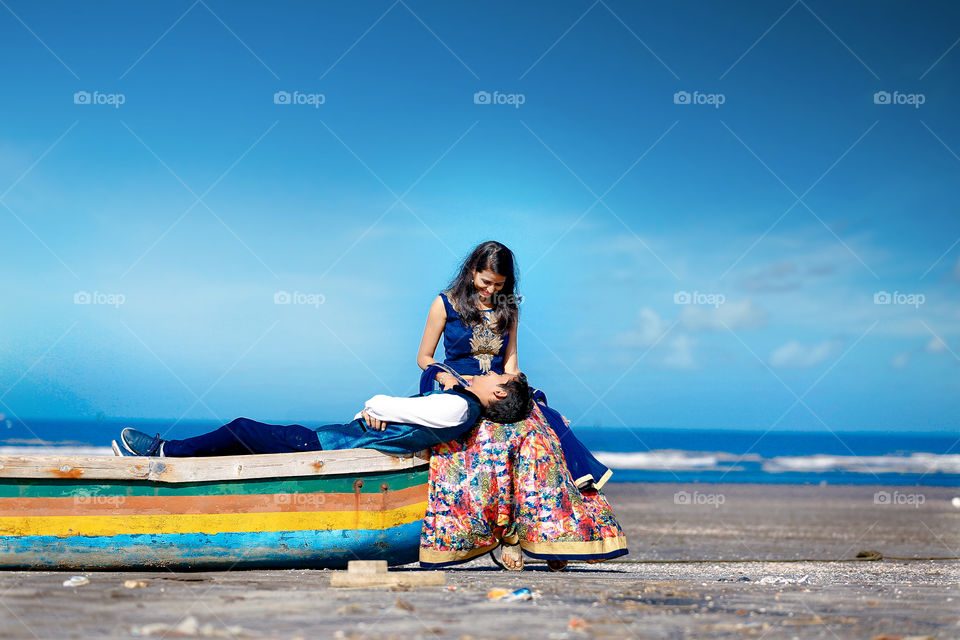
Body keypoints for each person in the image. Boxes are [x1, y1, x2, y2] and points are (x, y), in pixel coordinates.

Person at [415, 241, 628, 571]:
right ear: (472, 271)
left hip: (500, 386)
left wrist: (528, 401)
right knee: (482, 442)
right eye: (485, 282)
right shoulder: (445, 304)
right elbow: (423, 357)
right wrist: (446, 377)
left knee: (542, 437)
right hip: (457, 384)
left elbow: (511, 362)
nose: (490, 290)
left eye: (498, 285)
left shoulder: (508, 307)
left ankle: (551, 537)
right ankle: (501, 536)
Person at [112, 372, 531, 457]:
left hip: (330, 447)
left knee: (242, 429)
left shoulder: (458, 404)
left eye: (495, 374)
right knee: (247, 440)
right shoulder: (460, 408)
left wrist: (372, 409)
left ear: (497, 392)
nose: (486, 370)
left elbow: (381, 403)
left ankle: (163, 453)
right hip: (337, 442)